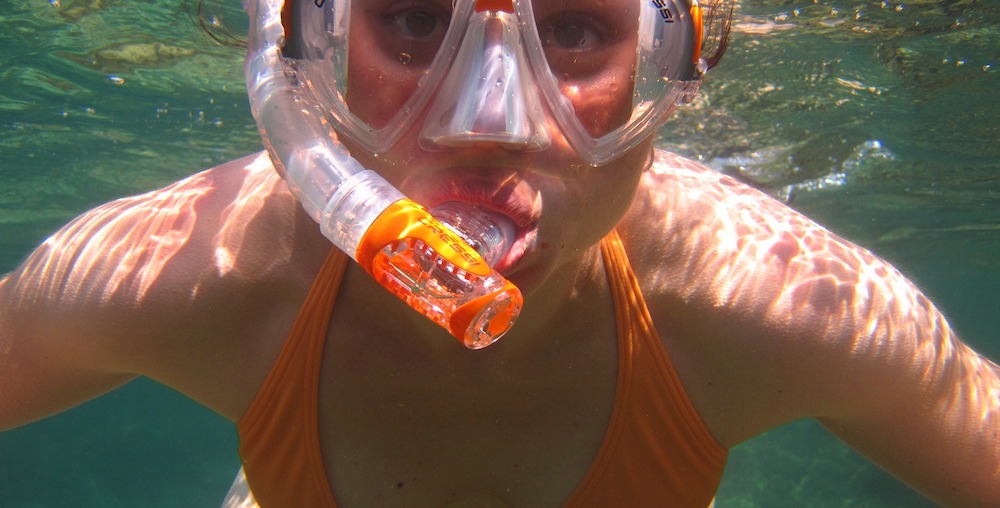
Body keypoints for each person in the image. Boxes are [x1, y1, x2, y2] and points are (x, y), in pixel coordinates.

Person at [1, 0, 997, 506]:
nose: (489, 122)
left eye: (571, 29)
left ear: (677, 69)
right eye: (412, 20)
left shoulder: (776, 305)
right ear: (298, 56)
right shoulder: (191, 274)